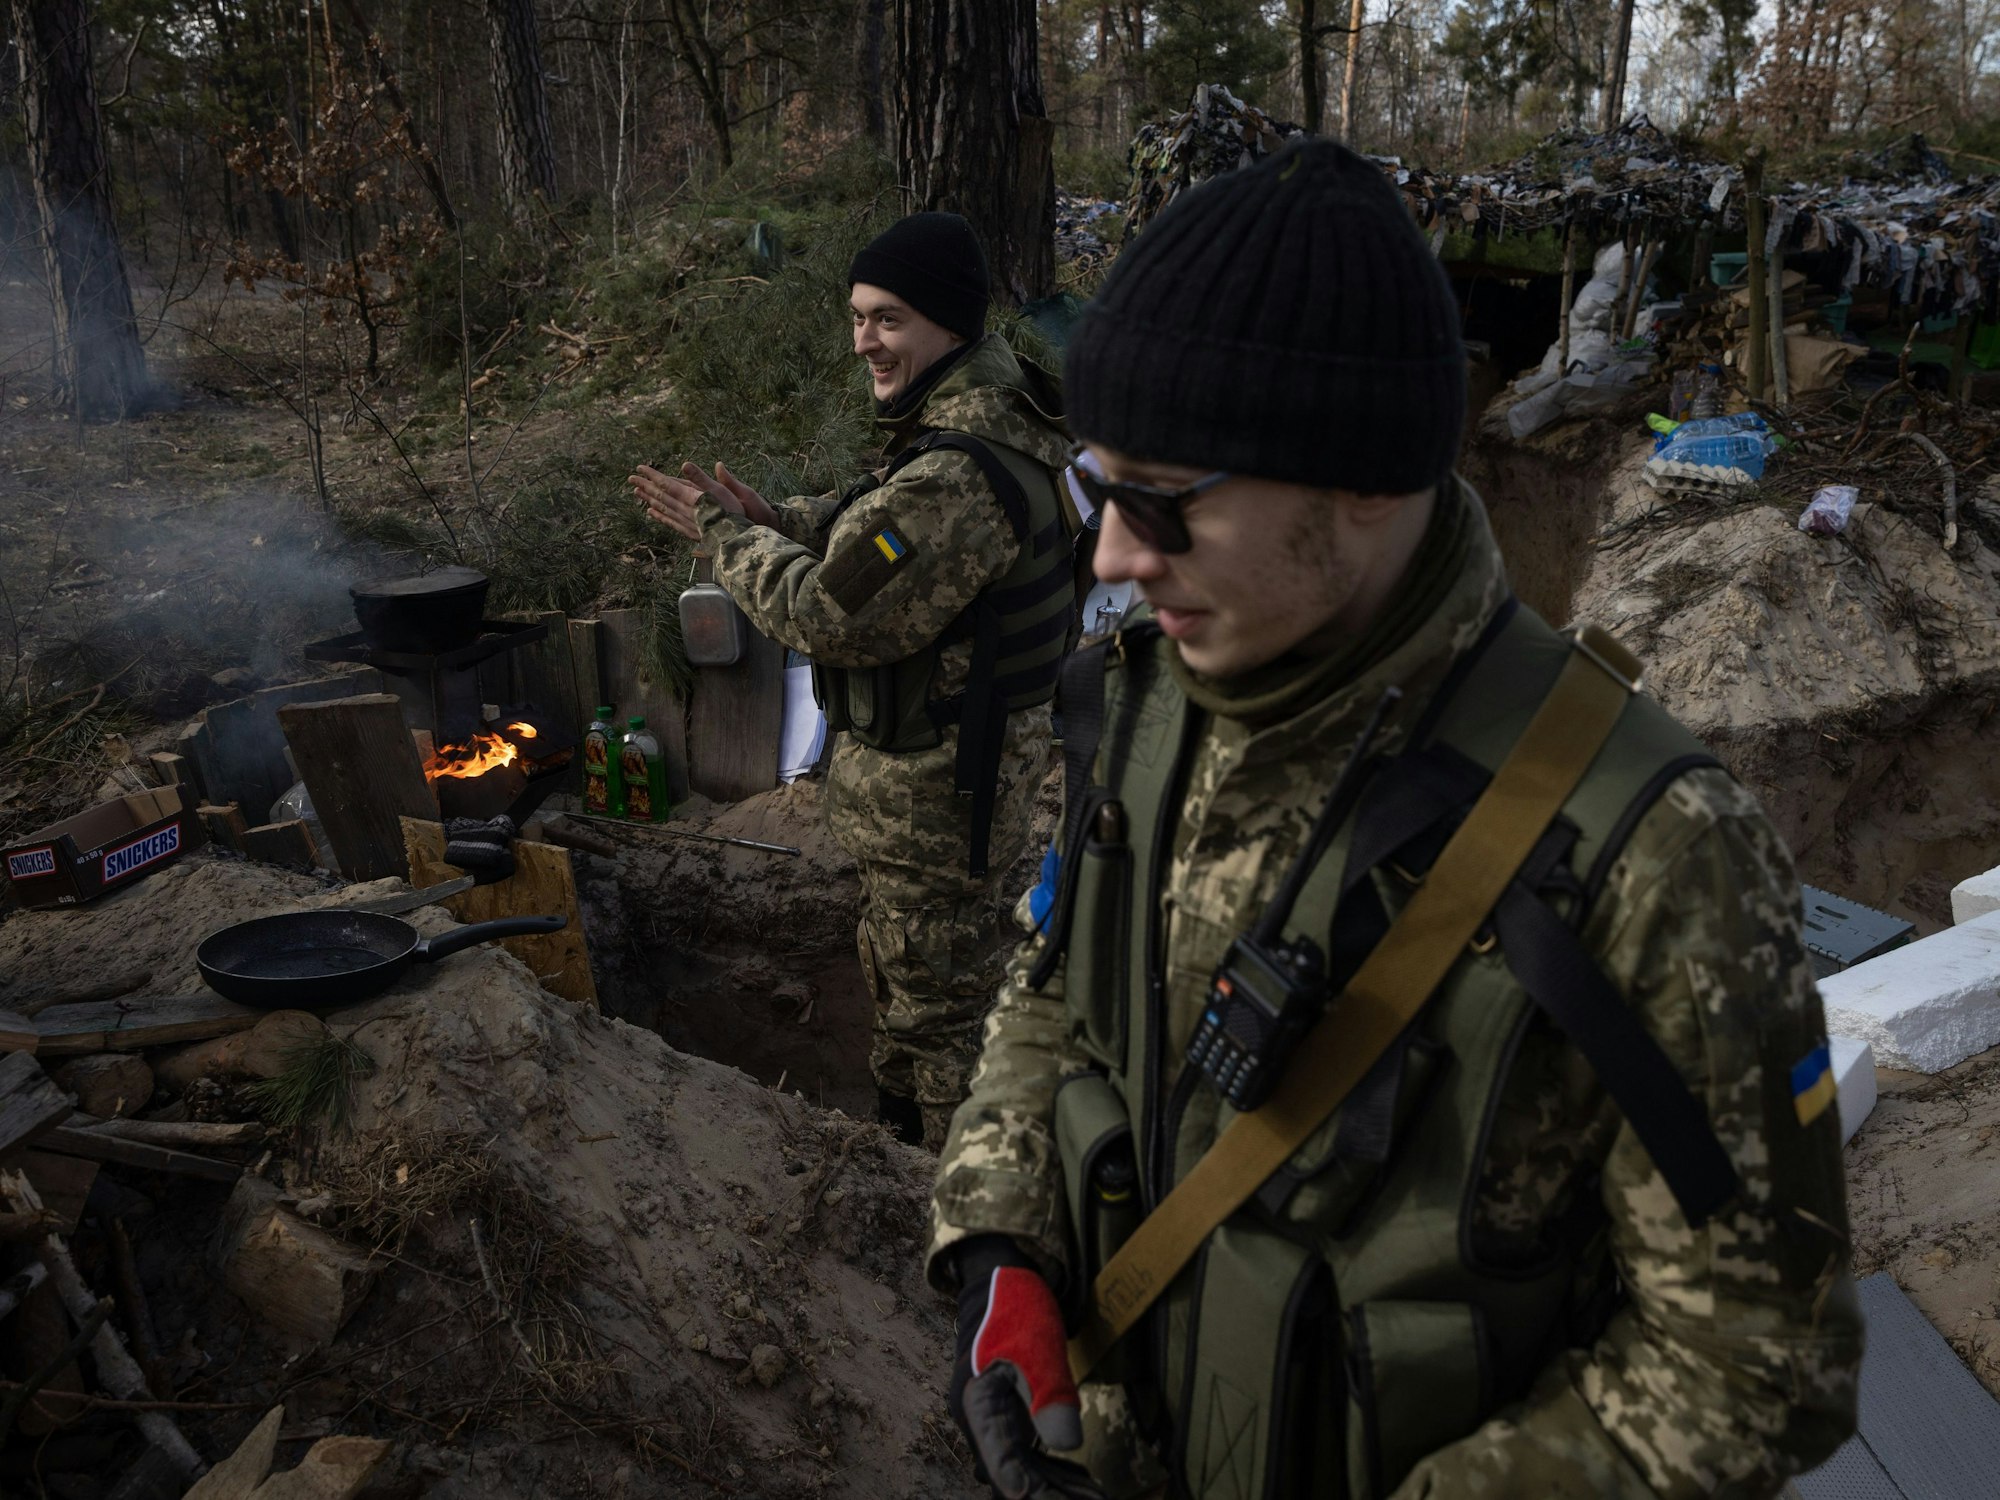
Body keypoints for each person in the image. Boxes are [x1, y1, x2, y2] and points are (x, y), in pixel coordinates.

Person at [928, 141, 1861, 1500]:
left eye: (1158, 500)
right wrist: (1001, 1248)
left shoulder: (1657, 854)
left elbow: (1762, 1361)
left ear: (1361, 482)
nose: (1114, 558)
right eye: (1095, 486)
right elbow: (1055, 993)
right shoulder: (1141, 703)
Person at [633, 212, 1074, 1151]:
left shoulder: (956, 475)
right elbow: (867, 528)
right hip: (947, 797)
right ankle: (903, 1148)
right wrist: (776, 517)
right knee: (916, 992)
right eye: (858, 316)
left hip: (940, 806)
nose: (864, 340)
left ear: (949, 325)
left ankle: (952, 1212)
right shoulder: (972, 423)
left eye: (888, 320)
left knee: (940, 1025)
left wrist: (724, 538)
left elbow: (828, 611)